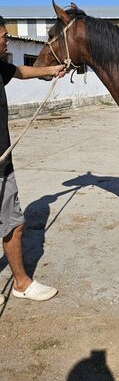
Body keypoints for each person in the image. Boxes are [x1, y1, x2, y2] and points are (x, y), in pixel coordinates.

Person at [0, 16, 66, 305]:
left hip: (3, 164)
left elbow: (21, 71)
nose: (7, 40)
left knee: (14, 223)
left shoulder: (0, 66)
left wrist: (51, 70)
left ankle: (22, 283)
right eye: (3, 36)